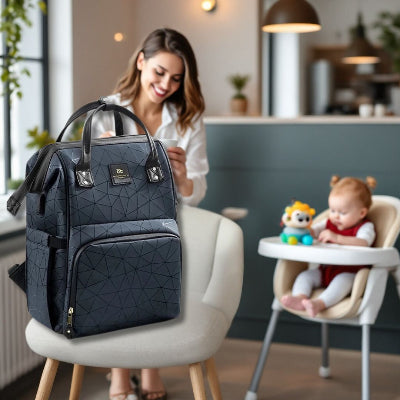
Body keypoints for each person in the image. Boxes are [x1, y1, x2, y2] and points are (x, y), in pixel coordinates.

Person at [95, 28, 208, 400]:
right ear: (141, 61)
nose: (166, 84)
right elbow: (92, 186)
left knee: (155, 278)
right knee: (120, 270)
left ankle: (150, 367)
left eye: (176, 78)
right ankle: (119, 372)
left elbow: (198, 190)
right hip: (114, 220)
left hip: (166, 221)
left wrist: (181, 177)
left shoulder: (188, 119)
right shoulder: (105, 113)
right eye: (160, 72)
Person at [281, 175, 377, 318]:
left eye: (342, 212)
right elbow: (313, 231)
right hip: (325, 271)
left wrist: (337, 238)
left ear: (361, 213)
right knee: (305, 276)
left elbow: (364, 242)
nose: (335, 216)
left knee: (341, 282)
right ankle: (300, 298)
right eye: (332, 210)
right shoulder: (328, 223)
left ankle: (319, 303)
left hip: (351, 273)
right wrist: (300, 229)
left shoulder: (365, 227)